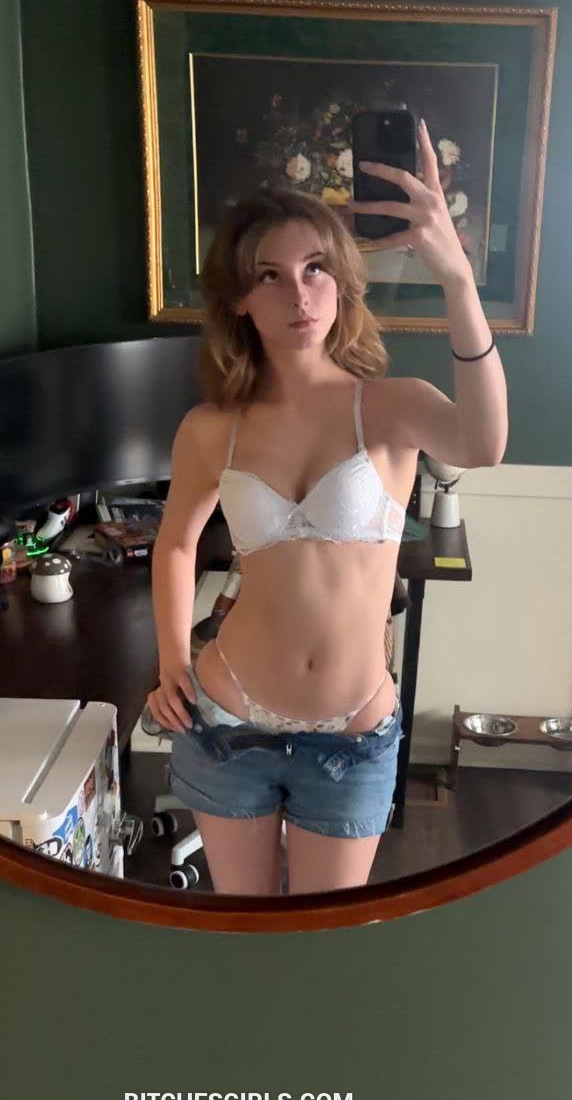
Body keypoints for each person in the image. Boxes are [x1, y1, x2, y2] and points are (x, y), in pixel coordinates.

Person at [147, 117, 508, 897]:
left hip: (352, 733)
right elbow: (175, 543)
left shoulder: (393, 407)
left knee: (324, 940)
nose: (300, 293)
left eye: (316, 268)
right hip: (225, 721)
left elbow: (484, 443)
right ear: (240, 299)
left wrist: (456, 278)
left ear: (342, 280)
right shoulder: (212, 428)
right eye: (269, 275)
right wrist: (172, 660)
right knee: (243, 931)